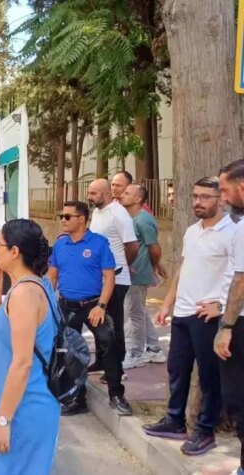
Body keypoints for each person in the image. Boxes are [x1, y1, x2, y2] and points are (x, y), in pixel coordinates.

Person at [143, 176, 231, 456]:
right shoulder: (192, 231)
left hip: (206, 316)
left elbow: (240, 276)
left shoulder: (233, 232)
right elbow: (184, 268)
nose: (198, 202)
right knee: (177, 369)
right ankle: (175, 421)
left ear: (221, 199)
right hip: (182, 312)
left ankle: (205, 431)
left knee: (209, 376)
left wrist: (221, 305)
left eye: (205, 197)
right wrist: (167, 303)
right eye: (195, 196)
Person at [0, 219, 59, 474]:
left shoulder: (24, 294)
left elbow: (22, 362)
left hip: (21, 409)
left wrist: (2, 420)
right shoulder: (33, 285)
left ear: (14, 252)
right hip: (14, 403)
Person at [47, 201, 132, 416]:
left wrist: (101, 306)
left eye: (68, 216)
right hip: (67, 306)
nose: (63, 220)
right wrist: (47, 303)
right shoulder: (60, 245)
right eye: (61, 216)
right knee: (68, 352)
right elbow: (52, 276)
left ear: (82, 219)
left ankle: (116, 394)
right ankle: (77, 398)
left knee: (109, 343)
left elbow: (109, 277)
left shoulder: (99, 243)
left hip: (93, 305)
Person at [88, 179, 139, 377]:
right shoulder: (96, 212)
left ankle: (117, 368)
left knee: (113, 323)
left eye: (94, 193)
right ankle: (102, 361)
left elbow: (132, 245)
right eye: (89, 192)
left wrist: (124, 264)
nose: (90, 197)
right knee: (98, 321)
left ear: (106, 193)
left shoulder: (118, 213)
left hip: (117, 278)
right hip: (99, 277)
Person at [214, 160, 244, 475]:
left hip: (240, 323)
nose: (222, 198)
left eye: (224, 190)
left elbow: (240, 281)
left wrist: (226, 326)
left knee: (237, 397)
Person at [119, 184, 167, 368]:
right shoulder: (131, 218)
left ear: (138, 199)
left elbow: (154, 248)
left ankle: (136, 354)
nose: (122, 195)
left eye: (127, 193)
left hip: (138, 274)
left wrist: (153, 267)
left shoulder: (143, 220)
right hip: (131, 273)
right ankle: (154, 349)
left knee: (135, 314)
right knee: (140, 311)